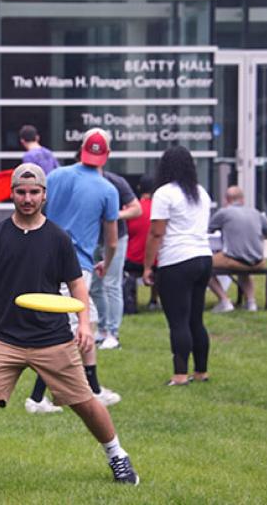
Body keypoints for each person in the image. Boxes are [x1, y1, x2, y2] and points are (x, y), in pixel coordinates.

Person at [0, 163, 139, 487]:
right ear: (12, 194)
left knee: (85, 403)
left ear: (44, 195)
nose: (27, 198)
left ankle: (118, 456)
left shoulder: (58, 238)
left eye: (34, 192)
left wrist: (84, 325)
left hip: (52, 338)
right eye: (21, 192)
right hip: (4, 337)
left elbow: (77, 285)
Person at [25, 128, 121, 414]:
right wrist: (107, 259)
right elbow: (113, 239)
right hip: (77, 265)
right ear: (108, 154)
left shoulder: (55, 176)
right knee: (69, 329)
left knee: (81, 323)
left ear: (81, 149)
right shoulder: (107, 190)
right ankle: (38, 397)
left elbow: (34, 211)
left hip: (44, 258)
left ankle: (92, 388)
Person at [143, 146, 213, 386]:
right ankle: (201, 371)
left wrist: (147, 266)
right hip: (203, 257)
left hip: (177, 260)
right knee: (196, 318)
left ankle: (180, 374)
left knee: (178, 320)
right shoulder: (201, 192)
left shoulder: (164, 193)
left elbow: (156, 233)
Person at [90, 170, 142, 350]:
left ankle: (113, 333)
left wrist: (114, 214)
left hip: (116, 237)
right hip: (92, 239)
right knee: (95, 286)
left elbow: (137, 209)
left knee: (111, 283)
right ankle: (102, 330)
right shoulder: (80, 181)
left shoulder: (115, 182)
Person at [207, 186, 267, 313]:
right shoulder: (256, 212)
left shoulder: (224, 213)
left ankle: (225, 301)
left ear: (226, 200)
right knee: (244, 268)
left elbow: (208, 230)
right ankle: (251, 303)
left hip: (235, 259)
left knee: (203, 266)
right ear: (243, 200)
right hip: (258, 262)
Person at [123, 174, 159, 313]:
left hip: (134, 259)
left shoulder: (132, 210)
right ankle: (154, 300)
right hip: (157, 260)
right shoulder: (159, 209)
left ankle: (131, 301)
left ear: (138, 188)